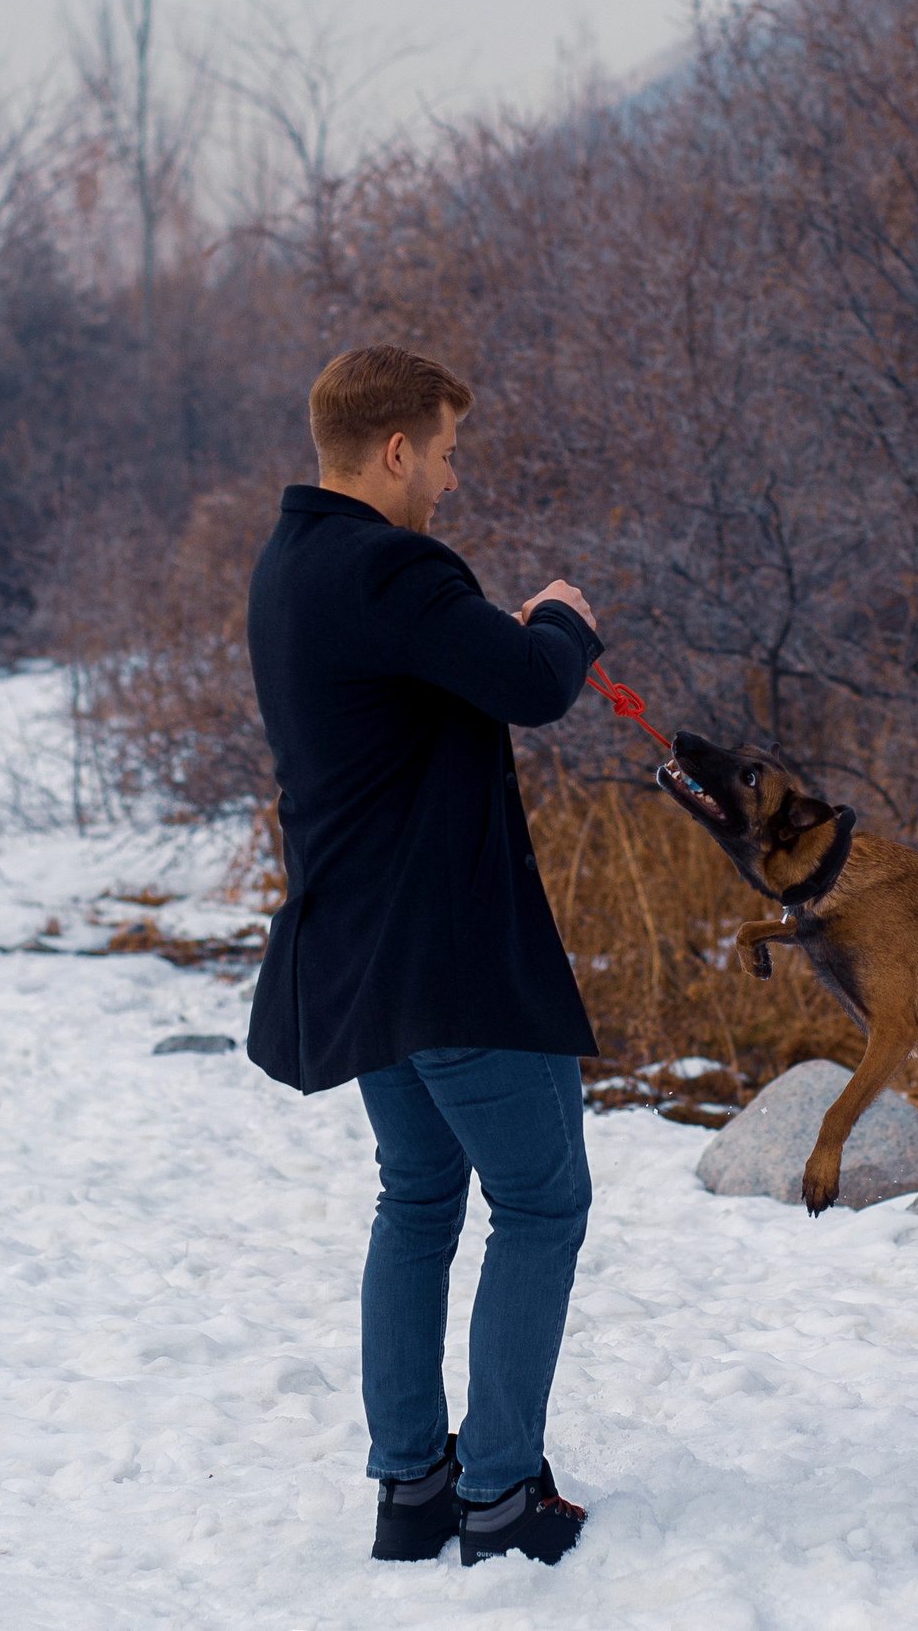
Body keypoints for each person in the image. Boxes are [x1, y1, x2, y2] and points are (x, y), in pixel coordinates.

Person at [246, 344, 603, 1564]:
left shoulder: (291, 565)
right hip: (450, 960)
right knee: (544, 1201)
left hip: (359, 959)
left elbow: (418, 700)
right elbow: (530, 684)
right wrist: (561, 621)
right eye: (446, 451)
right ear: (395, 449)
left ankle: (412, 1487)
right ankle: (502, 1496)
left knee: (419, 1198)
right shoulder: (394, 567)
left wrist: (487, 646)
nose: (452, 478)